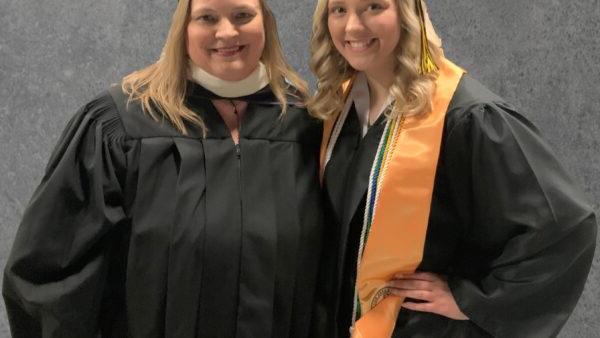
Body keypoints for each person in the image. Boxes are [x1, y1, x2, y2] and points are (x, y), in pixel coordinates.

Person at [3, 0, 324, 337]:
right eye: (207, 17)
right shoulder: (123, 126)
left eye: (243, 15)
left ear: (266, 24)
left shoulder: (305, 127)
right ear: (183, 27)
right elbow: (52, 272)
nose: (226, 31)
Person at [307, 0, 597, 337]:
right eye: (338, 10)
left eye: (373, 6)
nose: (353, 27)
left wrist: (472, 300)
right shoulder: (339, 109)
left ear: (408, 13)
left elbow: (564, 226)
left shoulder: (464, 116)